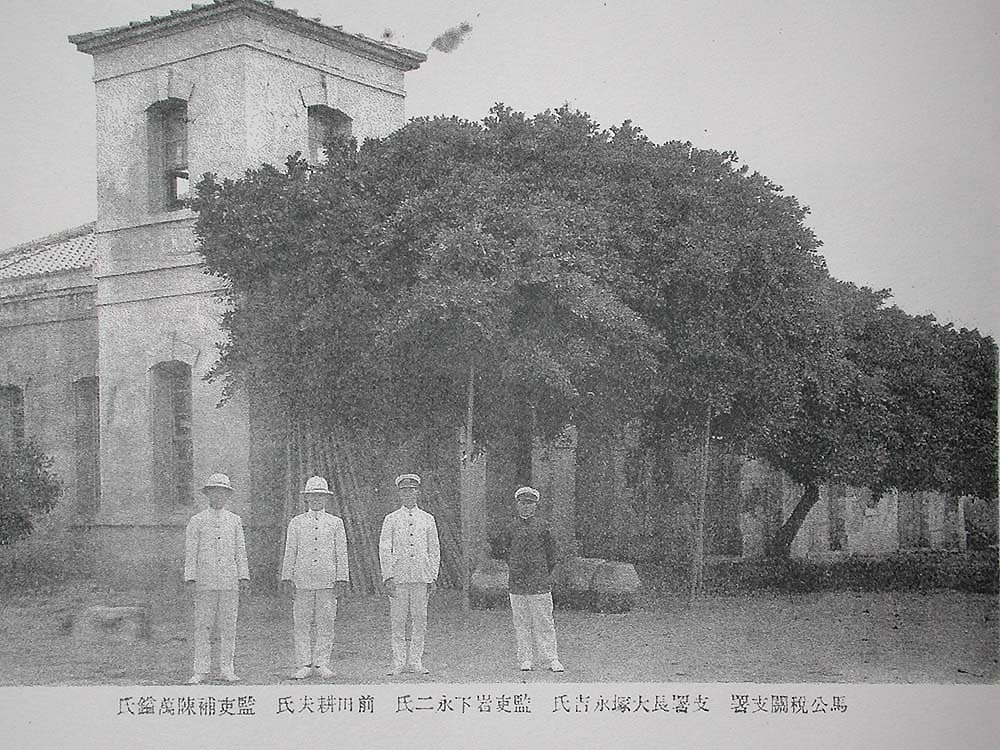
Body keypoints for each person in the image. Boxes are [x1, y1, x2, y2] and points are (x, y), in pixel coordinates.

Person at [280, 475, 350, 680]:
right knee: (302, 623)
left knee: (326, 622)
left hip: (327, 580)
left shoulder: (335, 523)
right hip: (302, 580)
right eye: (313, 495)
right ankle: (304, 664)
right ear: (306, 498)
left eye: (320, 495)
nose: (317, 499)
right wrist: (287, 577)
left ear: (326, 498)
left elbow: (341, 552)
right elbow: (290, 551)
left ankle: (321, 663)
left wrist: (342, 578)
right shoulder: (297, 522)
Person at [183, 472, 250, 684]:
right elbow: (191, 551)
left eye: (222, 492)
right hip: (205, 580)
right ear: (208, 494)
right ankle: (201, 670)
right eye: (214, 492)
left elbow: (240, 551)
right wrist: (191, 578)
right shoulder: (197, 521)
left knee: (228, 626)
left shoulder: (235, 520)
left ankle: (227, 668)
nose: (218, 496)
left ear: (227, 495)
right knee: (203, 626)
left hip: (229, 580)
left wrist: (243, 576)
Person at [495, 486, 564, 672]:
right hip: (517, 583)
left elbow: (552, 555)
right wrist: (516, 567)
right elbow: (504, 552)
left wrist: (542, 573)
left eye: (530, 503)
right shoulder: (510, 528)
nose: (526, 507)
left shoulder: (544, 527)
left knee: (544, 622)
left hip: (539, 582)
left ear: (535, 506)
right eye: (522, 503)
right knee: (521, 623)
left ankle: (551, 659)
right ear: (517, 505)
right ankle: (525, 659)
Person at [378, 473, 440, 675]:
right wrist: (388, 576)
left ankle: (415, 661)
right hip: (399, 576)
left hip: (421, 576)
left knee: (419, 619)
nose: (408, 494)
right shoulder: (391, 519)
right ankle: (398, 662)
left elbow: (434, 549)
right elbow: (385, 549)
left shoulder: (428, 519)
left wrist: (432, 576)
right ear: (399, 494)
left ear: (417, 492)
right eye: (404, 491)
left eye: (411, 490)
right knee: (398, 620)